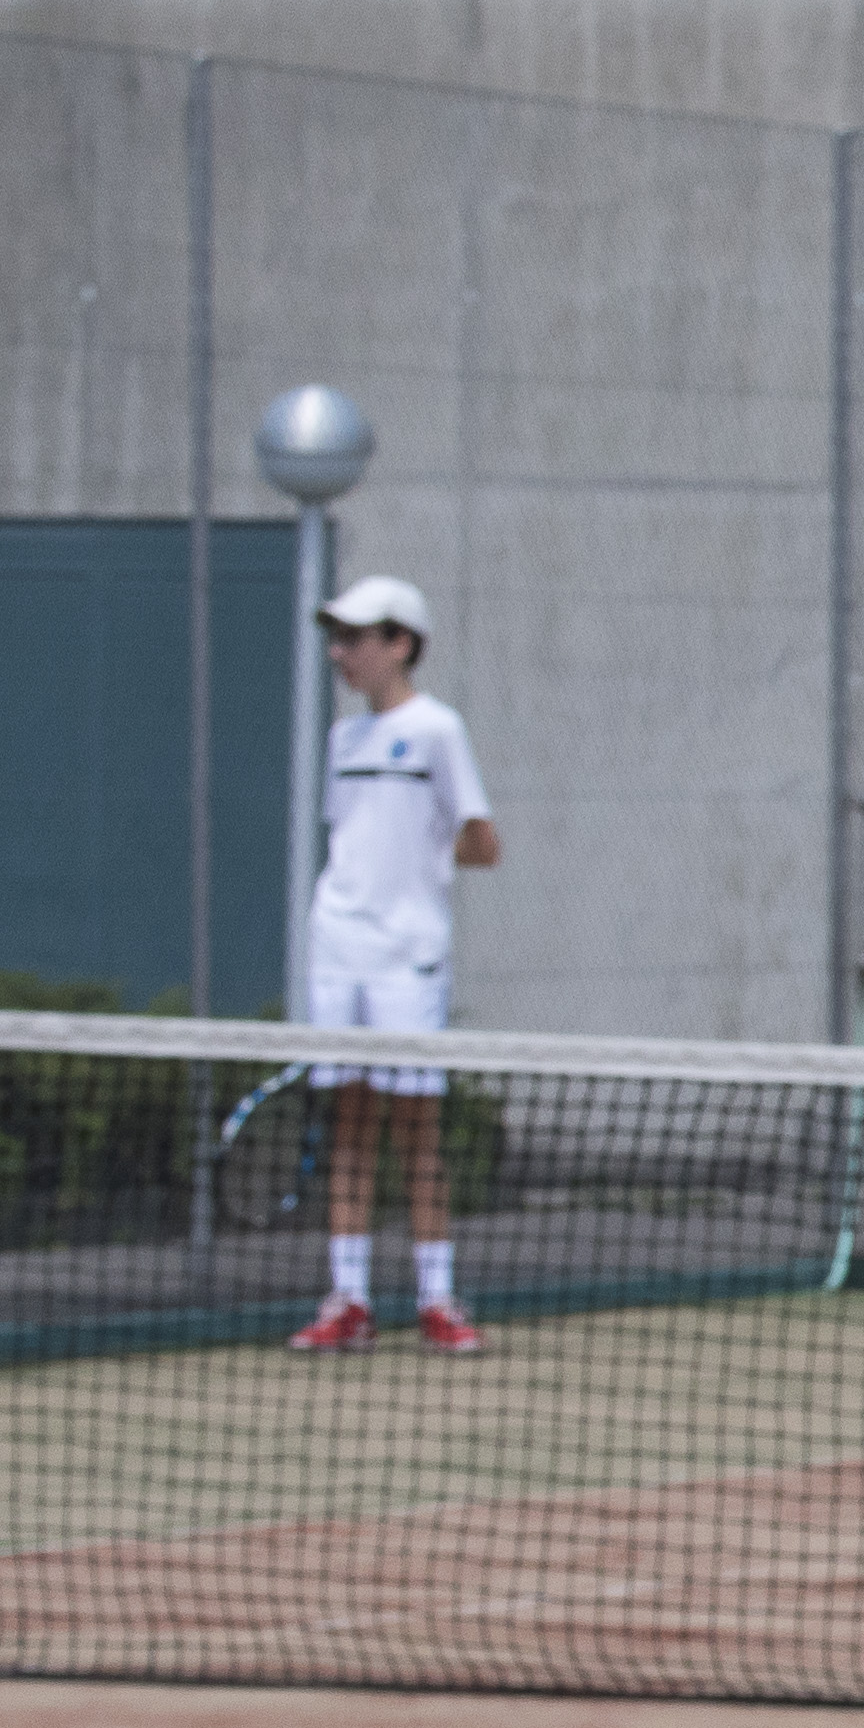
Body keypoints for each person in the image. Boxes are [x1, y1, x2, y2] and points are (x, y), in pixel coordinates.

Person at [286, 574, 499, 1356]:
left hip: (408, 957)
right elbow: (350, 840)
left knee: (416, 1130)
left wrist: (430, 860)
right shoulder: (342, 741)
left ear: (400, 644)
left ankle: (437, 1300)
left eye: (355, 639)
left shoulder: (439, 730)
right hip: (338, 950)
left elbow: (483, 842)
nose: (339, 654)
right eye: (336, 639)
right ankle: (349, 1300)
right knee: (348, 1123)